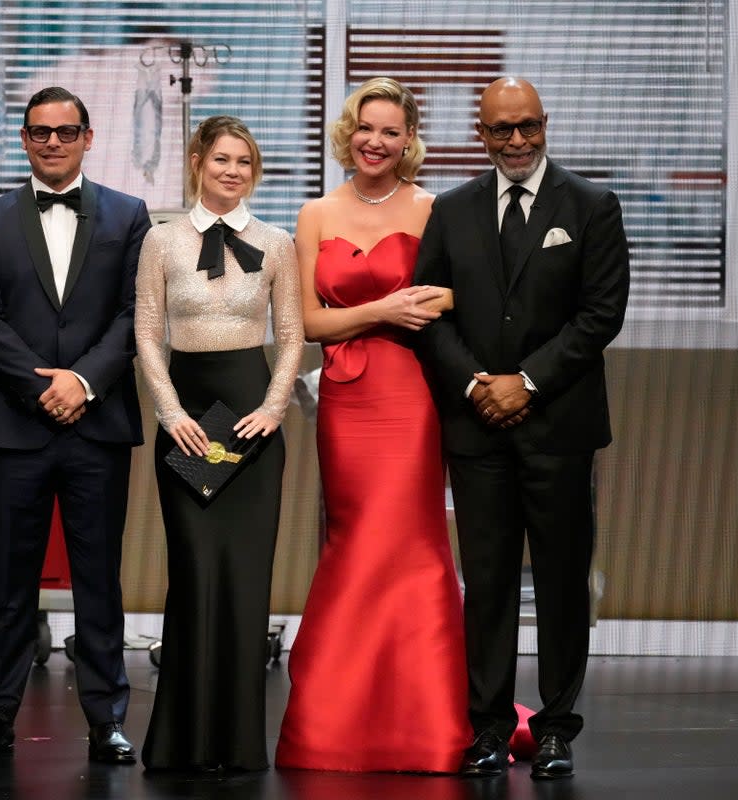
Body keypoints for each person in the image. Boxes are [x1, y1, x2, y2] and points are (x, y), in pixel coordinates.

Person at [412, 77, 630, 780]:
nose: (516, 141)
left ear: (544, 126)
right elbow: (430, 313)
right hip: (478, 429)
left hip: (559, 427)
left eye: (527, 126)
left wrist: (526, 382)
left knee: (564, 582)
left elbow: (600, 315)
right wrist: (479, 383)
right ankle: (489, 729)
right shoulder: (451, 210)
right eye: (501, 129)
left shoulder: (591, 206)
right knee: (489, 584)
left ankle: (558, 730)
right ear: (481, 135)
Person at [275, 77, 470, 774]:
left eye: (391, 131)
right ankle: (336, 725)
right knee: (354, 542)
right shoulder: (315, 213)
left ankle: (427, 724)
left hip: (413, 394)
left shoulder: (433, 208)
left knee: (411, 545)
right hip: (348, 397)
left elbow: (463, 291)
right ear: (347, 132)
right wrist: (382, 310)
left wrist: (423, 303)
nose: (376, 142)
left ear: (409, 139)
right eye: (366, 127)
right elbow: (307, 322)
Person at [0, 86, 151, 766]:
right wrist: (46, 386)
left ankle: (107, 722)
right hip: (18, 424)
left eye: (67, 132)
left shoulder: (129, 215)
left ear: (88, 138)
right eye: (41, 132)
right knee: (10, 584)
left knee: (99, 580)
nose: (54, 143)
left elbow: (134, 314)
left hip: (97, 426)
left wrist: (84, 382)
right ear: (25, 139)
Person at [135, 115, 302, 772]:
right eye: (223, 159)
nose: (233, 171)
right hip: (189, 418)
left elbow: (289, 336)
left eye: (245, 162)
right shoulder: (161, 242)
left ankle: (236, 745)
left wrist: (272, 407)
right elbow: (149, 336)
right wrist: (170, 411)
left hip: (251, 424)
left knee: (244, 579)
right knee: (195, 574)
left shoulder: (278, 242)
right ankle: (180, 742)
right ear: (199, 160)